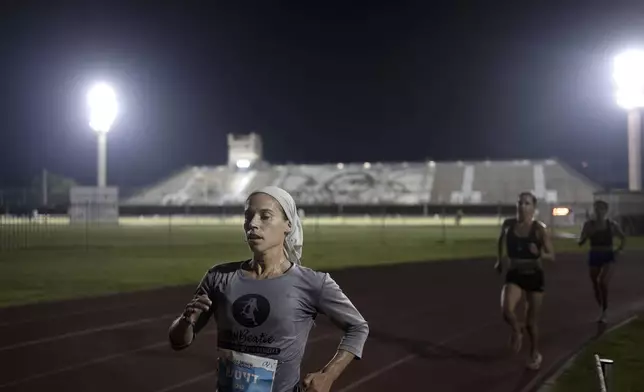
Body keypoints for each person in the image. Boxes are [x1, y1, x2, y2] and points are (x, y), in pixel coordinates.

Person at [168, 186, 369, 392]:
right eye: (248, 216)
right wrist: (186, 321)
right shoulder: (218, 277)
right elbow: (178, 342)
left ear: (288, 225)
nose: (253, 224)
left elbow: (358, 327)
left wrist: (329, 375)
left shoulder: (313, 283)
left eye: (265, 216)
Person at [494, 192, 555, 371]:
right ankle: (516, 330)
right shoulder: (508, 224)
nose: (522, 206)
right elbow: (500, 240)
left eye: (527, 203)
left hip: (534, 276)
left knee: (531, 322)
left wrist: (539, 252)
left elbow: (552, 256)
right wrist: (499, 259)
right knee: (506, 310)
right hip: (514, 274)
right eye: (519, 203)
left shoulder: (539, 229)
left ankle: (534, 353)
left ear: (533, 208)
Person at [578, 200, 626, 324]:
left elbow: (623, 237)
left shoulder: (611, 225)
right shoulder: (589, 225)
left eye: (601, 209)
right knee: (595, 284)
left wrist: (619, 250)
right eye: (596, 209)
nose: (599, 212)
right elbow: (580, 242)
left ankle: (605, 311)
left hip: (608, 255)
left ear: (606, 211)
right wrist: (587, 236)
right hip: (594, 255)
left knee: (603, 281)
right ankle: (600, 302)